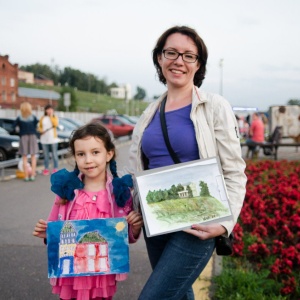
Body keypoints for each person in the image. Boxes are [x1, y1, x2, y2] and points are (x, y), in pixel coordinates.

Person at [128, 25, 247, 300]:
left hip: (199, 222)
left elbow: (234, 172)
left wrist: (225, 223)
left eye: (188, 55)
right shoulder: (149, 112)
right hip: (155, 221)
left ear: (198, 64)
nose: (178, 60)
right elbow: (138, 168)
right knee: (178, 295)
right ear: (159, 58)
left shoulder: (214, 106)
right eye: (171, 52)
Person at [33, 122, 143, 300]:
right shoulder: (66, 190)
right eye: (81, 154)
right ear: (75, 157)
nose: (88, 160)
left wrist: (135, 226)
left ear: (109, 154)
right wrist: (46, 233)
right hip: (71, 277)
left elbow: (126, 237)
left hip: (101, 277)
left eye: (95, 152)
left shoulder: (119, 193)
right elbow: (54, 228)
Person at [13, 102, 39, 181]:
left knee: (24, 157)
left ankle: (26, 176)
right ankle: (33, 175)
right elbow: (36, 127)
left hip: (23, 137)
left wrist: (19, 132)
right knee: (33, 156)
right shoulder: (33, 117)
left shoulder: (19, 117)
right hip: (32, 136)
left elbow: (13, 127)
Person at [38, 104, 59, 175]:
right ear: (45, 110)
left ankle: (55, 168)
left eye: (51, 109)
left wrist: (51, 117)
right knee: (46, 155)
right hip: (44, 139)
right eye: (48, 109)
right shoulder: (42, 118)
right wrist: (41, 130)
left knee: (54, 154)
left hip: (53, 139)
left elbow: (55, 124)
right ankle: (46, 168)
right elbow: (39, 126)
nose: (49, 111)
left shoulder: (54, 117)